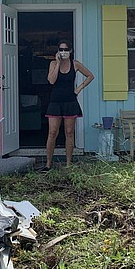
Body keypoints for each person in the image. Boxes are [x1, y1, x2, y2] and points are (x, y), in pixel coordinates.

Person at [43, 40, 94, 171]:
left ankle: (68, 163)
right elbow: (51, 80)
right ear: (58, 51)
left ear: (70, 51)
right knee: (52, 132)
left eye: (66, 50)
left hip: (70, 101)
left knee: (69, 132)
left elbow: (90, 76)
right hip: (55, 102)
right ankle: (48, 163)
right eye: (61, 50)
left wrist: (79, 88)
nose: (63, 52)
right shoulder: (53, 63)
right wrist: (58, 62)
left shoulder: (75, 64)